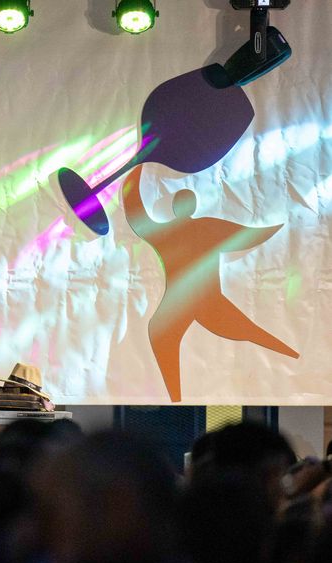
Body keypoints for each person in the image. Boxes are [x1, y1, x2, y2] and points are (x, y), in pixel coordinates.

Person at [121, 165, 298, 402]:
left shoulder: (166, 231)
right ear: (192, 206)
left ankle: (175, 398)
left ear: (174, 208)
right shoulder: (207, 227)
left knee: (247, 331)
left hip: (190, 303)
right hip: (198, 302)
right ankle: (175, 399)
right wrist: (271, 229)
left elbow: (136, 213)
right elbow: (249, 235)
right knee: (247, 331)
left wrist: (134, 175)